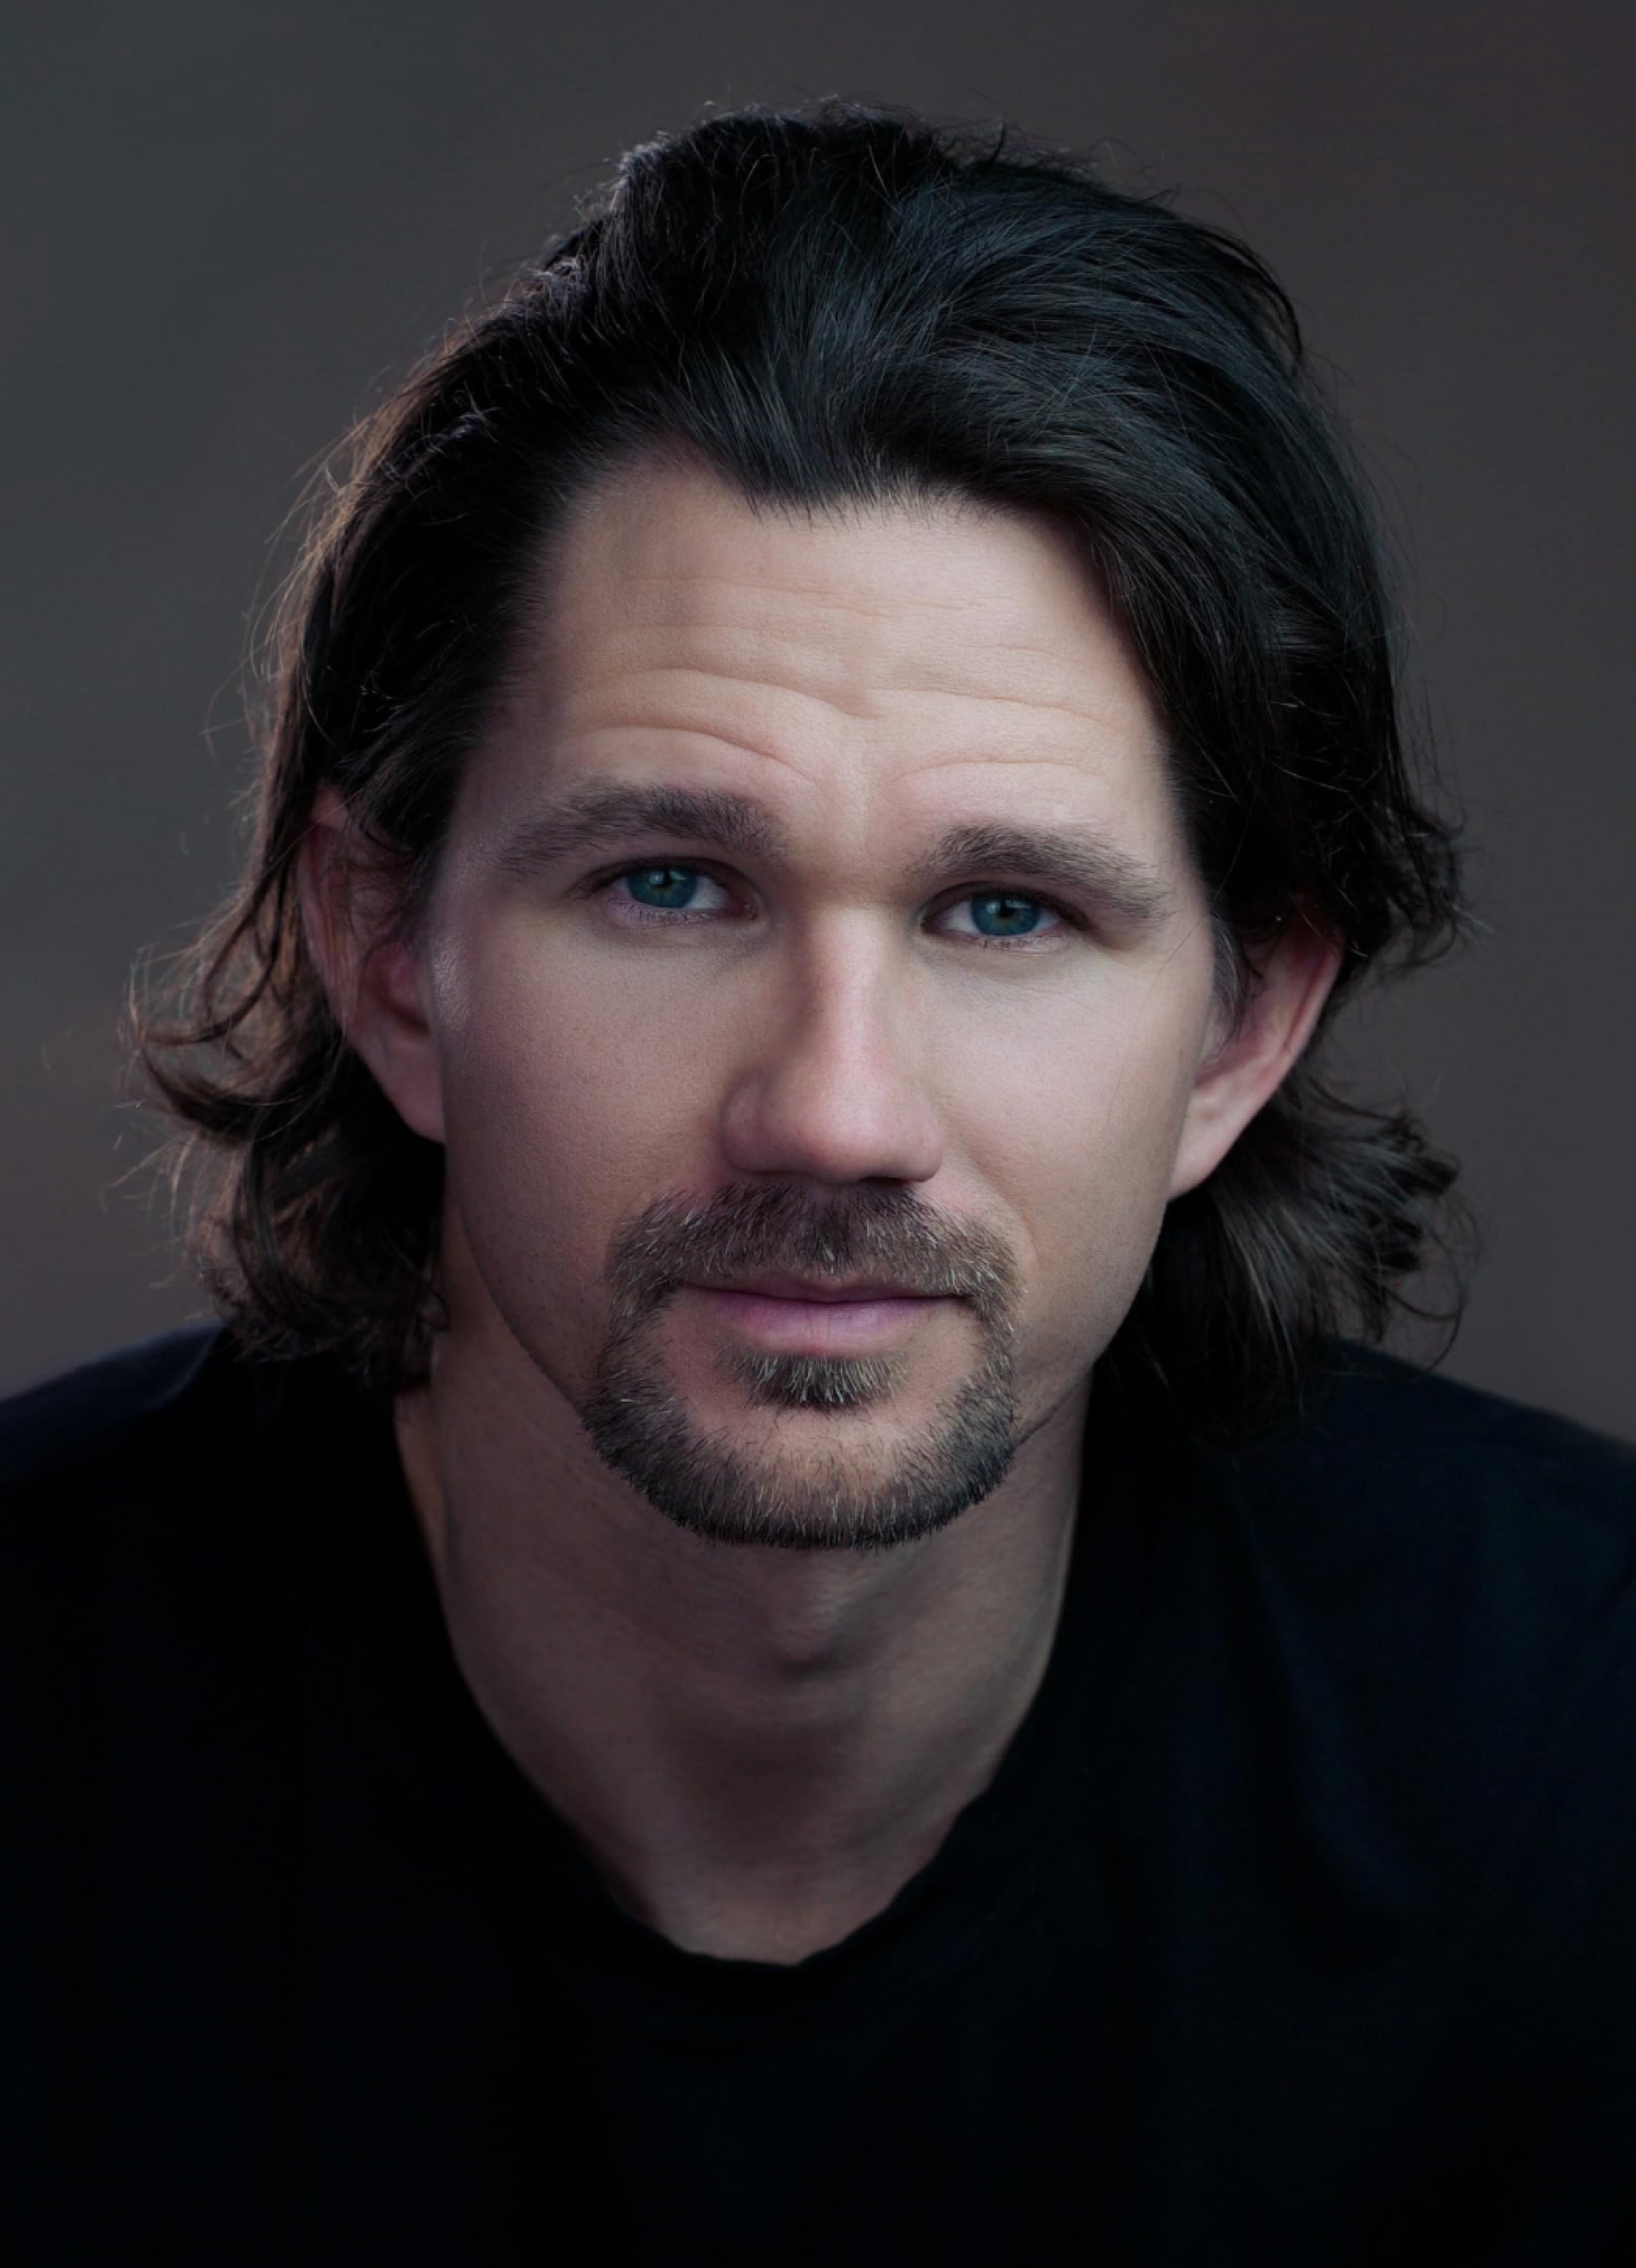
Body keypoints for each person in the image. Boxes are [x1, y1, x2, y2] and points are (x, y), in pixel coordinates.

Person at [4, 97, 1632, 2266]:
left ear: (1241, 1029)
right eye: (671, 884)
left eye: (1004, 912)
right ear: (389, 951)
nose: (835, 1111)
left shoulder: (1584, 1753)